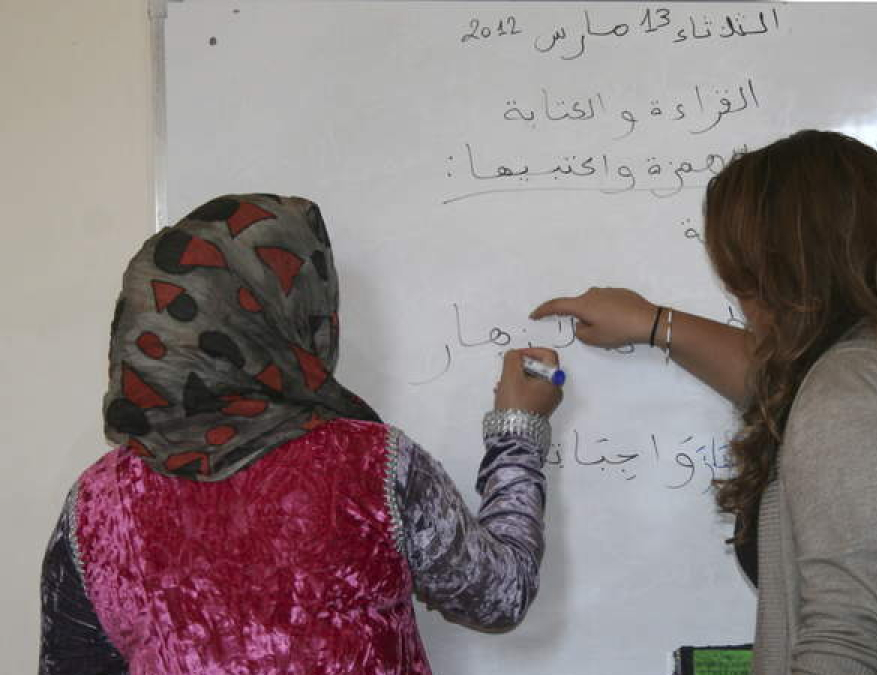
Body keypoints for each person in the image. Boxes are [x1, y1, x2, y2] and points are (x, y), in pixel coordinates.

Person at [533, 130, 877, 674]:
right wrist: (654, 323)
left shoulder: (856, 391)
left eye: (742, 275)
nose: (737, 295)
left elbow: (849, 639)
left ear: (786, 273)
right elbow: (786, 391)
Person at [39, 194, 562, 674]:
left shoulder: (96, 506)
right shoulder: (370, 467)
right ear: (285, 321)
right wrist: (519, 429)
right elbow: (499, 595)